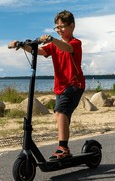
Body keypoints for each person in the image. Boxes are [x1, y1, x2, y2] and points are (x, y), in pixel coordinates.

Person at [9, 10, 85, 159]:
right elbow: (39, 51)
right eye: (57, 27)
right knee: (62, 115)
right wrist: (21, 45)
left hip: (74, 85)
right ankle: (65, 148)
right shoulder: (54, 45)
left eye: (62, 27)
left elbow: (67, 48)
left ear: (72, 26)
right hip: (60, 86)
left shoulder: (75, 43)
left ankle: (63, 148)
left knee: (61, 112)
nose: (59, 30)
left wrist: (52, 39)